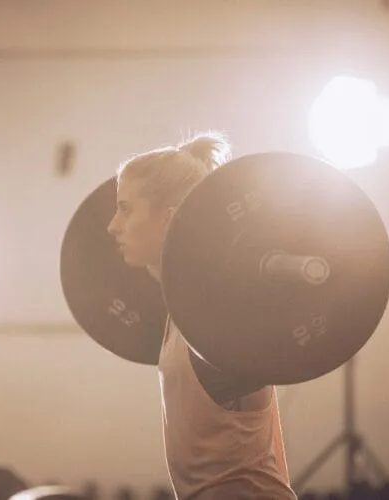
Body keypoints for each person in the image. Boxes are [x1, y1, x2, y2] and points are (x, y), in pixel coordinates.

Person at [105, 132, 297, 500]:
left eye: (126, 208)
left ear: (170, 219)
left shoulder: (219, 315)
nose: (113, 225)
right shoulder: (183, 311)